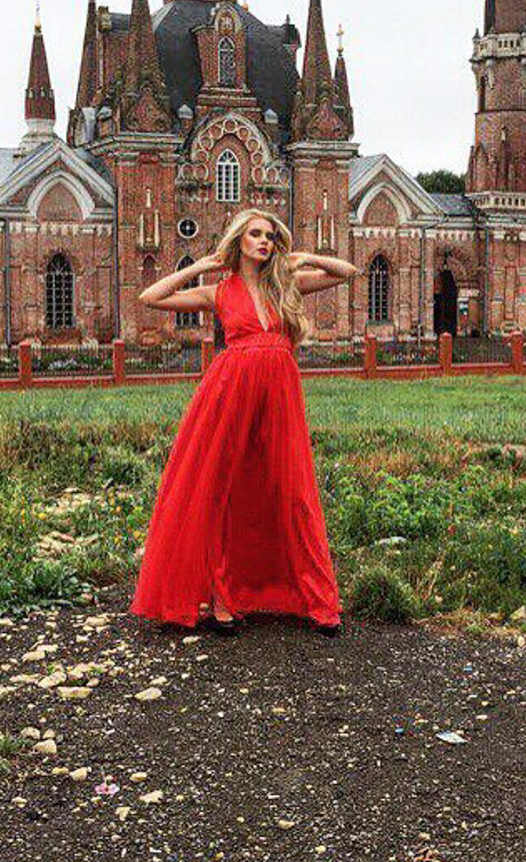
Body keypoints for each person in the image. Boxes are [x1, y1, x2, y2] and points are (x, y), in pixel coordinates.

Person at [129, 210, 357, 636]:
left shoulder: (285, 286)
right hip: (229, 392)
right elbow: (151, 298)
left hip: (280, 392)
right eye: (255, 235)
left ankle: (317, 600)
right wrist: (200, 265)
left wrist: (302, 256)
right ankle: (221, 599)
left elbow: (346, 271)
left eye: (270, 236)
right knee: (224, 489)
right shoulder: (218, 292)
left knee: (292, 488)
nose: (264, 242)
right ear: (238, 241)